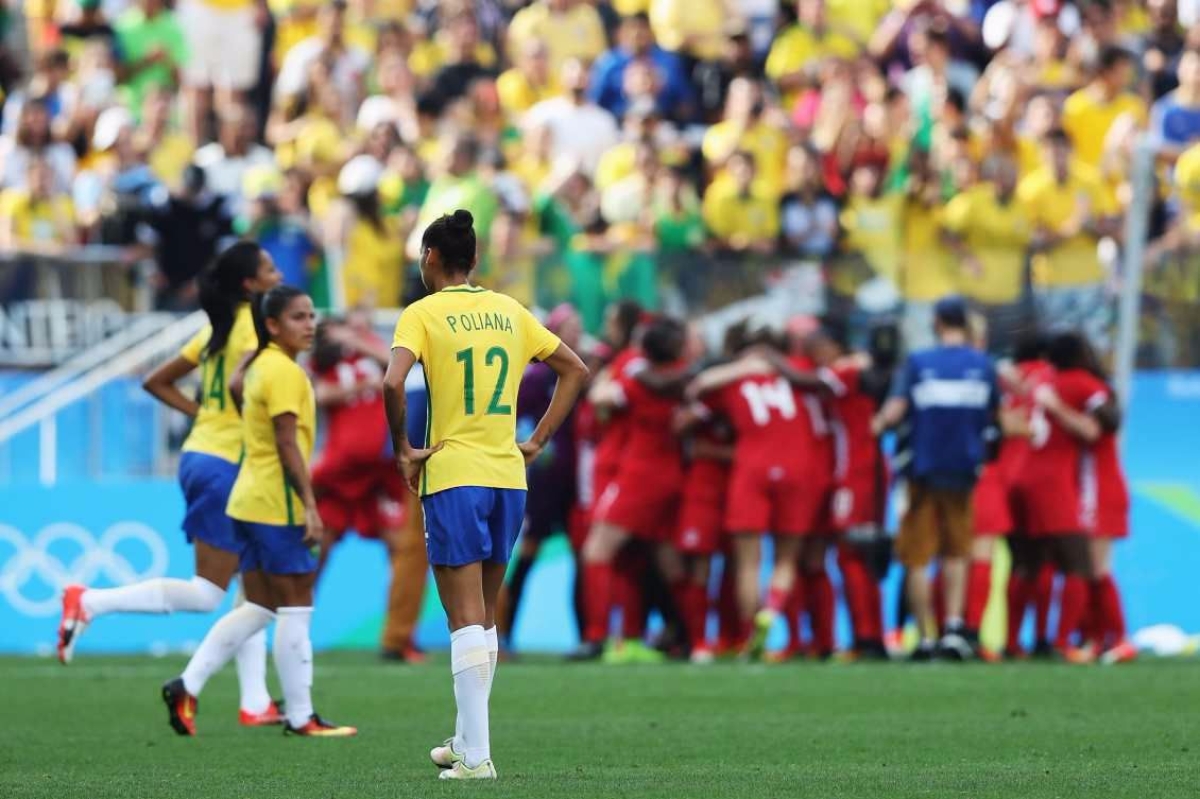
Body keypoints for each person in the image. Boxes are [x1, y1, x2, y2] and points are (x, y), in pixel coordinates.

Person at [382, 210, 588, 780]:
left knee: (464, 618)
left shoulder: (422, 313)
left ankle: (477, 758)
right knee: (485, 618)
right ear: (474, 260)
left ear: (429, 257)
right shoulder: (509, 310)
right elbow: (575, 369)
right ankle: (466, 739)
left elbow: (393, 381)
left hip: (454, 474)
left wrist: (403, 449)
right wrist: (538, 439)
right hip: (508, 476)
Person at [57, 242, 284, 728]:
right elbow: (248, 388)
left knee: (254, 580)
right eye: (269, 268)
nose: (278, 272)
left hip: (205, 454)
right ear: (250, 284)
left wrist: (203, 414)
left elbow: (157, 381)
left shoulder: (217, 328)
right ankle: (90, 601)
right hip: (227, 464)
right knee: (208, 592)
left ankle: (256, 700)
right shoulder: (255, 329)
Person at [162, 284, 357, 737]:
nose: (309, 325)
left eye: (311, 315)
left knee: (261, 606)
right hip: (275, 502)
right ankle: (302, 716)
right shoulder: (285, 372)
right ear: (271, 325)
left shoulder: (257, 365)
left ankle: (187, 684)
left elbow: (234, 386)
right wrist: (310, 505)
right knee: (297, 605)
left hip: (246, 497)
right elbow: (287, 442)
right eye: (297, 317)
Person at [873, 296, 999, 662]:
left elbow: (895, 411)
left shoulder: (918, 362)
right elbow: (997, 416)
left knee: (917, 556)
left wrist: (876, 425)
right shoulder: (983, 364)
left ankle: (926, 636)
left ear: (938, 322)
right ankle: (954, 629)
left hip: (922, 470)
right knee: (957, 552)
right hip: (965, 470)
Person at [502, 304, 584, 650]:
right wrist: (530, 446)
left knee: (583, 557)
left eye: (579, 327)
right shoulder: (537, 378)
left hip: (576, 483)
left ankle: (587, 638)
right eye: (570, 327)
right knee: (528, 554)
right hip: (545, 482)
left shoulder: (584, 372)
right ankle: (503, 635)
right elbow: (509, 415)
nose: (577, 333)